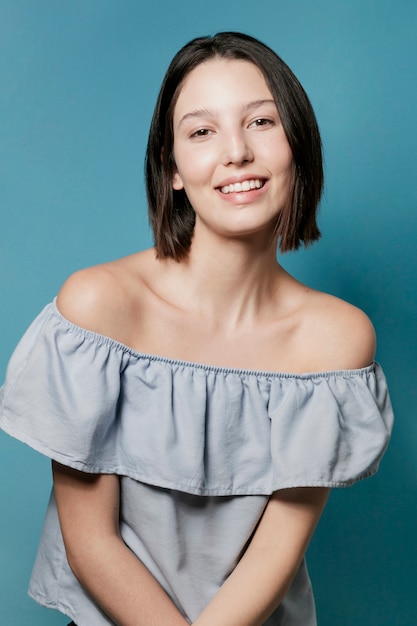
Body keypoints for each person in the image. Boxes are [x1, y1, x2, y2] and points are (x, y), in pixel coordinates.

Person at [0, 32, 393, 626]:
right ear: (174, 168)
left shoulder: (335, 339)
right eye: (202, 131)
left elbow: (274, 557)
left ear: (298, 144)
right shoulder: (98, 309)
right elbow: (92, 544)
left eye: (262, 122)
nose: (236, 152)